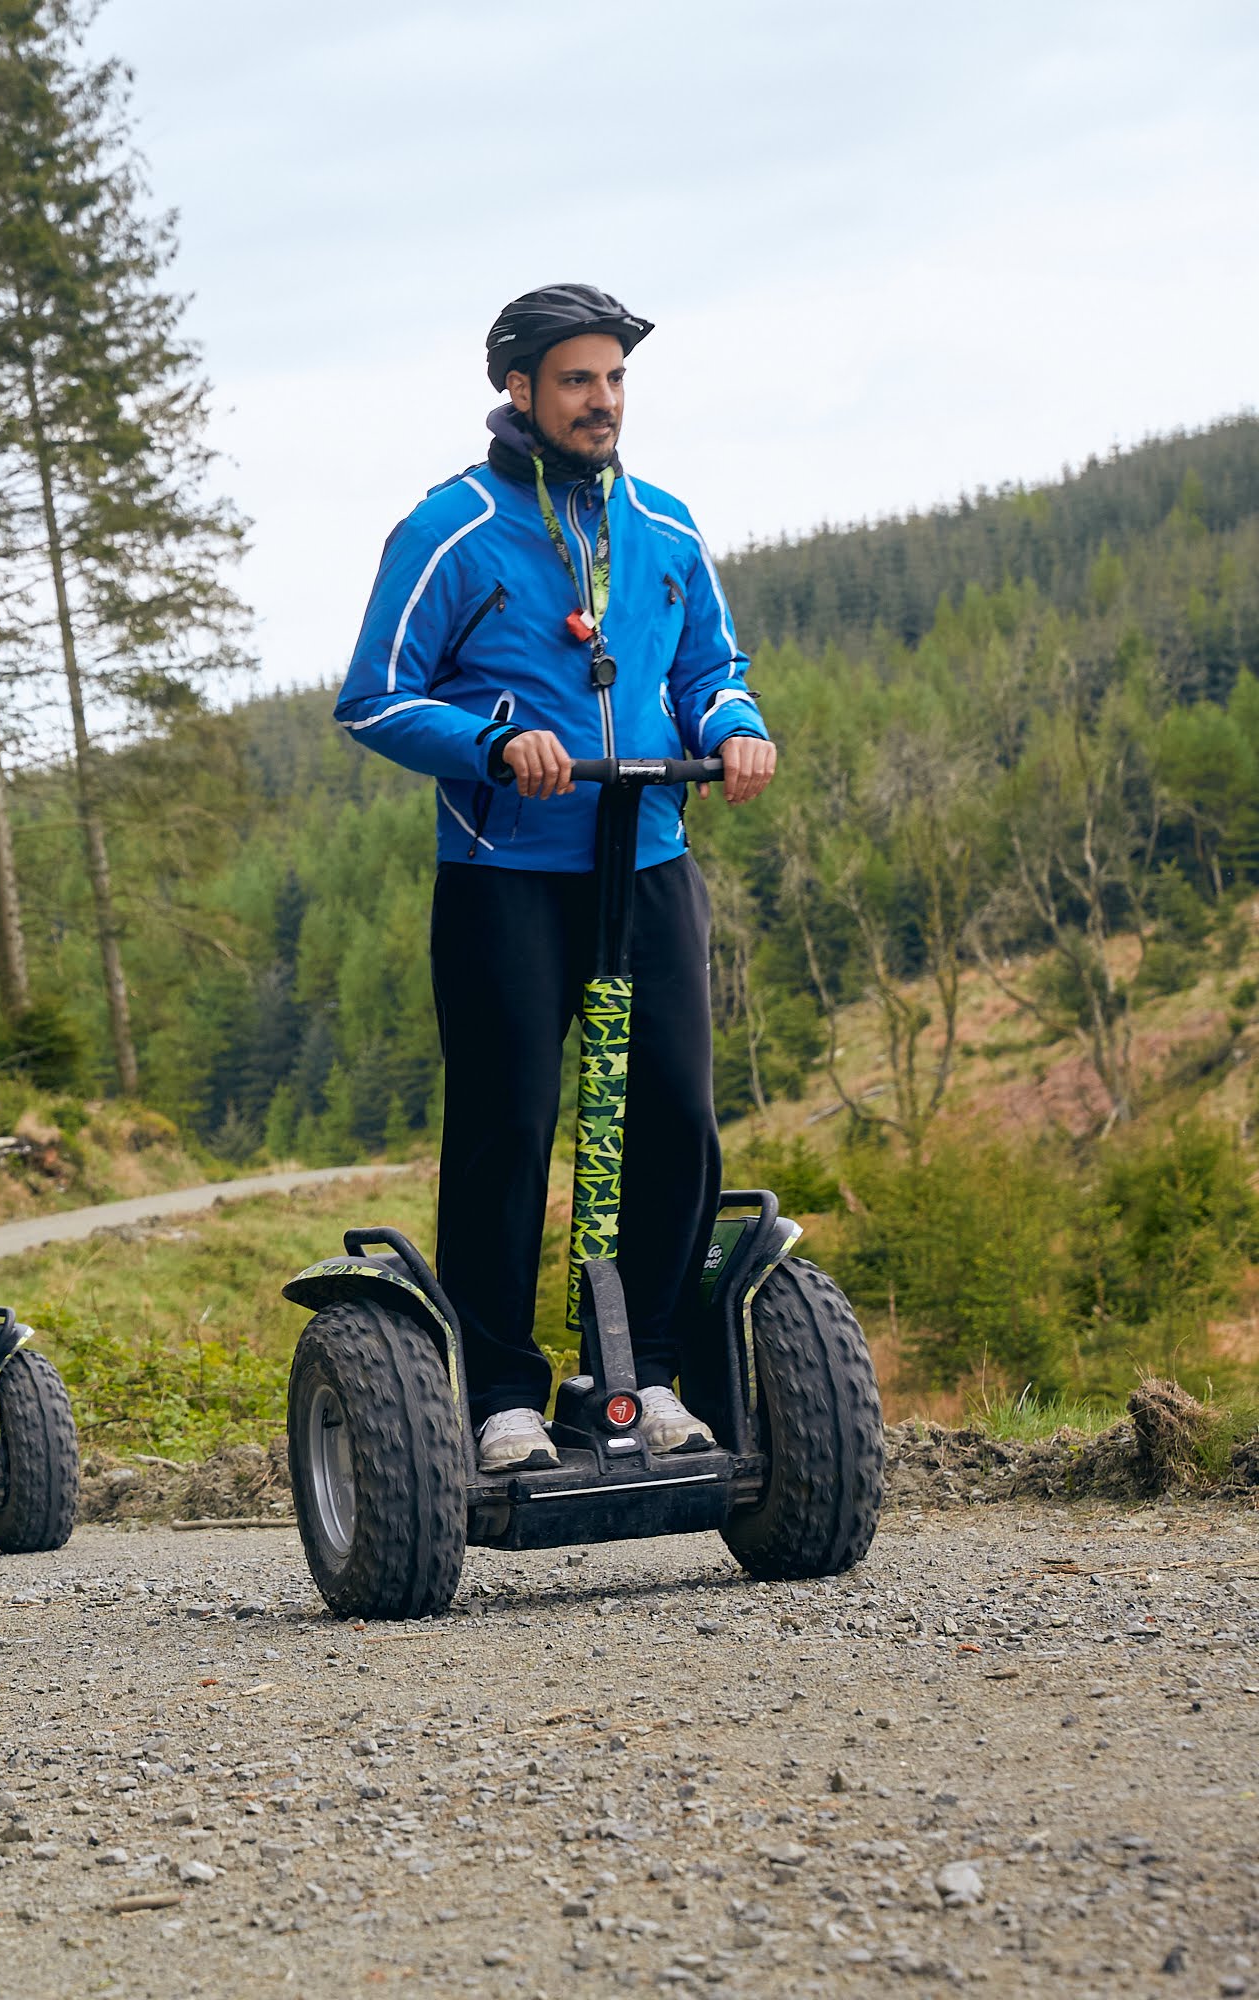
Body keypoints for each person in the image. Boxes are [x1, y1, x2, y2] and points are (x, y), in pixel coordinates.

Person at [331, 283, 776, 1474]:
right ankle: (500, 1396)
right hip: (504, 872)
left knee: (675, 1115)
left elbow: (710, 666)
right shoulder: (451, 527)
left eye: (616, 379)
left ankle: (647, 1371)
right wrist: (490, 743)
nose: (603, 402)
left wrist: (733, 723)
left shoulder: (666, 524)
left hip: (647, 859)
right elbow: (375, 695)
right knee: (509, 1126)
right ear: (519, 389)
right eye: (579, 380)